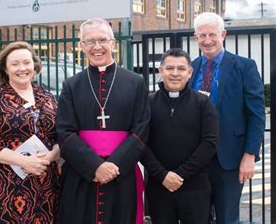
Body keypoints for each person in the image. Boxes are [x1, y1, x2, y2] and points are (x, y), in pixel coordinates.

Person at [56, 18, 150, 224]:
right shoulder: (71, 85)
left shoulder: (135, 82)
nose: (96, 47)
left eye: (102, 40)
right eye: (90, 41)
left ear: (113, 44)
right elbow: (64, 132)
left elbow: (141, 130)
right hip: (82, 173)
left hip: (121, 173)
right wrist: (95, 166)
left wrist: (113, 165)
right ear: (81, 46)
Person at [0, 41, 60, 223]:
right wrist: (23, 161)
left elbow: (60, 137)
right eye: (15, 64)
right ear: (5, 68)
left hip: (43, 187)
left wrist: (51, 155)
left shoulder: (48, 97)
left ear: (34, 65)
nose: (22, 68)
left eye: (27, 62)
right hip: (4, 186)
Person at [191, 12, 265, 224]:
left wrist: (249, 156)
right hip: (195, 160)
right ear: (195, 38)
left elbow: (257, 114)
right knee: (197, 217)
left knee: (226, 218)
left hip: (229, 160)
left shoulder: (244, 67)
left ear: (223, 34)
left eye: (212, 34)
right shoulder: (191, 67)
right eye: (202, 35)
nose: (207, 40)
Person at [141, 48, 218, 224]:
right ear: (160, 70)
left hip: (195, 188)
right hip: (159, 187)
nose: (175, 73)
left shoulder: (203, 103)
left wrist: (180, 175)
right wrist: (162, 175)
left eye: (181, 69)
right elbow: (140, 143)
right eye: (169, 68)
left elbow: (210, 143)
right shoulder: (147, 103)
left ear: (190, 73)